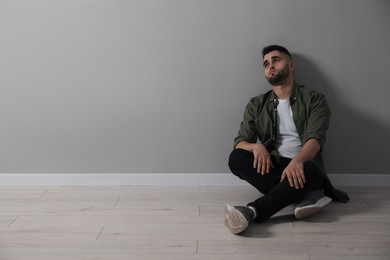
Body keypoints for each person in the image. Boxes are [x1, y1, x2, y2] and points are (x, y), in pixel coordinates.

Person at [225, 45, 349, 235]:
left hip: (306, 165)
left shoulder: (315, 99)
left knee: (310, 171)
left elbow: (315, 139)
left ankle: (251, 211)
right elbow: (240, 141)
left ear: (291, 65)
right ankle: (305, 195)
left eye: (276, 60)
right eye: (266, 64)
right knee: (236, 158)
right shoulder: (256, 104)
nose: (270, 66)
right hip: (273, 166)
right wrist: (256, 147)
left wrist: (297, 161)